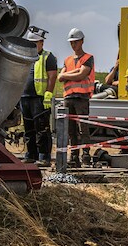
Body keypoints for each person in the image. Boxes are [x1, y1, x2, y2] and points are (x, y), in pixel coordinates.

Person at [58, 28, 95, 166]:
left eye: (76, 42)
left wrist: (67, 75)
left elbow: (82, 75)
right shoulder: (67, 60)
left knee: (83, 128)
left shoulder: (88, 58)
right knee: (71, 129)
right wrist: (74, 72)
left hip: (81, 97)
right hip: (69, 97)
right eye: (71, 42)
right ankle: (74, 157)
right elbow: (60, 77)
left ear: (82, 41)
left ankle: (85, 156)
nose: (73, 45)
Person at [19, 32, 57, 165]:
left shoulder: (48, 57)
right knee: (29, 128)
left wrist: (48, 93)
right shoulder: (25, 57)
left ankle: (44, 157)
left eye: (35, 43)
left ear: (41, 43)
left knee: (41, 128)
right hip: (25, 97)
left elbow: (52, 76)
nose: (33, 46)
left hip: (39, 98)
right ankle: (31, 154)